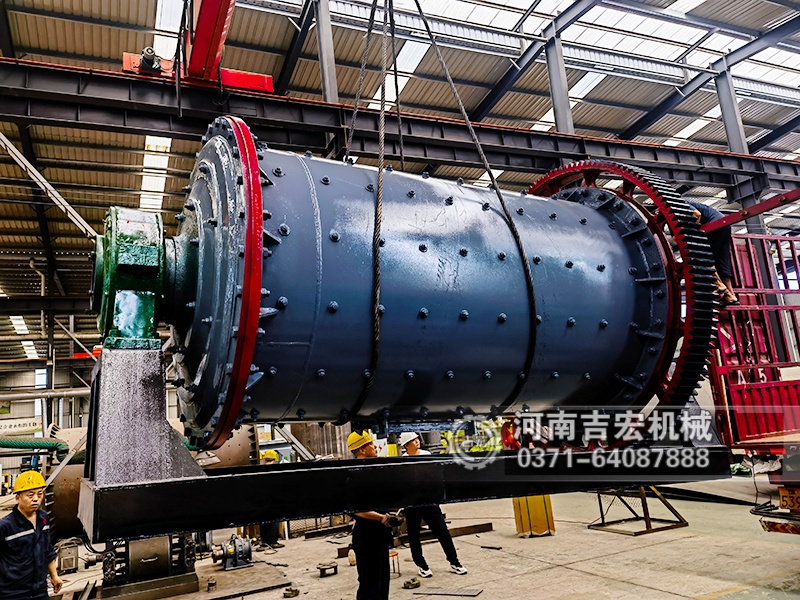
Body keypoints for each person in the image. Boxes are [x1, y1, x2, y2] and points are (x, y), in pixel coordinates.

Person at [398, 432, 467, 578]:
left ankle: (455, 562)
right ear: (406, 445)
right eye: (413, 440)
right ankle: (422, 565)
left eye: (417, 439)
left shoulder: (426, 455)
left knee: (442, 531)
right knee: (414, 535)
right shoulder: (403, 461)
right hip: (412, 504)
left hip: (429, 502)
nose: (417, 442)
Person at [348, 430, 401, 600]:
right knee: (370, 584)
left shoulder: (372, 470)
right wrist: (381, 518)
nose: (375, 447)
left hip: (380, 535)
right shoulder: (355, 474)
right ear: (362, 450)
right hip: (366, 537)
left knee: (382, 582)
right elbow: (354, 509)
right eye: (370, 444)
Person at [0, 470, 63, 599]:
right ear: (18, 498)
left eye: (39, 494)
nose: (36, 499)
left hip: (39, 590)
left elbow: (48, 550)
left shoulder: (43, 519)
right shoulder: (6, 526)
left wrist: (54, 576)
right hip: (12, 593)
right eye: (30, 495)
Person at [685, 199, 738, 305]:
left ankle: (720, 285)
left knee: (702, 256)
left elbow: (696, 214)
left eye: (657, 210)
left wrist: (693, 233)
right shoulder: (673, 217)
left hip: (714, 225)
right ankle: (731, 296)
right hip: (724, 224)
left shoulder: (680, 204)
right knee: (721, 260)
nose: (656, 212)